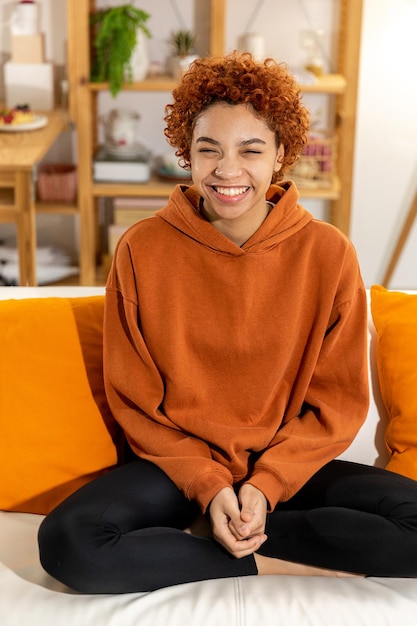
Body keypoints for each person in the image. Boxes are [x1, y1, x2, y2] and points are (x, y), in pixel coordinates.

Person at [38, 52, 417, 593]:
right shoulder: (142, 249)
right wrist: (210, 486)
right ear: (186, 154)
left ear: (282, 153)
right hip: (178, 468)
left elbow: (336, 404)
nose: (227, 170)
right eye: (207, 149)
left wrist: (263, 488)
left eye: (251, 150)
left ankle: (243, 528)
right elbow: (135, 399)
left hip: (285, 470)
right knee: (69, 542)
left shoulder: (328, 253)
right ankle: (256, 557)